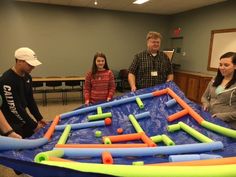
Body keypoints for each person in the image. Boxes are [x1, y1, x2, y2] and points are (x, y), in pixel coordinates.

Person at [0, 47, 47, 138]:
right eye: (30, 64)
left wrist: (39, 118)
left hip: (21, 118)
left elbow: (30, 100)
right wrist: (33, 125)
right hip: (9, 123)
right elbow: (15, 108)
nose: (33, 67)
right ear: (19, 61)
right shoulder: (7, 80)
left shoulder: (27, 77)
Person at [201, 52, 236, 129]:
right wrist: (206, 103)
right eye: (220, 65)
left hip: (227, 125)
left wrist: (222, 116)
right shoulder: (214, 79)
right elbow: (204, 97)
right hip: (210, 119)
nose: (222, 68)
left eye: (226, 65)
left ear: (235, 66)